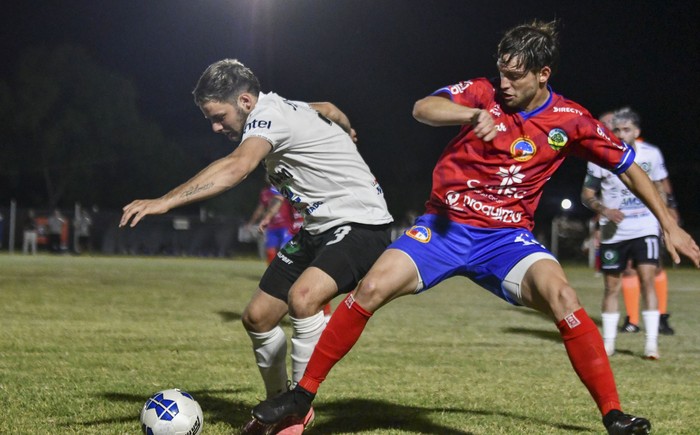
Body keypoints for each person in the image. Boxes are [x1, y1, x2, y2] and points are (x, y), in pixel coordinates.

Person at [251, 20, 700, 435]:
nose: (504, 84)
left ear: (544, 74)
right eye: (501, 73)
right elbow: (423, 108)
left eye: (516, 77)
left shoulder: (573, 121)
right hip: (444, 229)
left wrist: (668, 224)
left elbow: (628, 165)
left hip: (507, 240)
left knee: (564, 296)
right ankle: (301, 396)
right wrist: (468, 115)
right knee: (369, 290)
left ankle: (613, 415)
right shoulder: (483, 93)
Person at [119, 59, 393, 434]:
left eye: (218, 116)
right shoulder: (281, 107)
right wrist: (346, 127)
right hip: (319, 228)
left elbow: (235, 169)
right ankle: (276, 408)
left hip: (361, 224)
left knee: (304, 298)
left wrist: (164, 201)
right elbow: (328, 108)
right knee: (258, 317)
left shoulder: (268, 118)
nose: (216, 127)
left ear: (246, 101)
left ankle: (296, 409)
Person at [581, 107, 675, 359]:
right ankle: (608, 343)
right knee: (611, 287)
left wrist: (665, 220)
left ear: (637, 131)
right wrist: (604, 209)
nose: (621, 135)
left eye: (626, 130)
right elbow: (587, 195)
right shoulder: (599, 157)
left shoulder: (651, 155)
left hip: (644, 227)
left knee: (647, 279)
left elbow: (659, 189)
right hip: (614, 231)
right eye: (616, 130)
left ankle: (651, 344)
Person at [248, 183, 296, 264]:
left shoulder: (287, 189)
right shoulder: (265, 192)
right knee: (270, 252)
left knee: (285, 252)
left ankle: (285, 273)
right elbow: (260, 209)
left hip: (286, 226)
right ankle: (272, 273)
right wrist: (252, 222)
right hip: (272, 227)